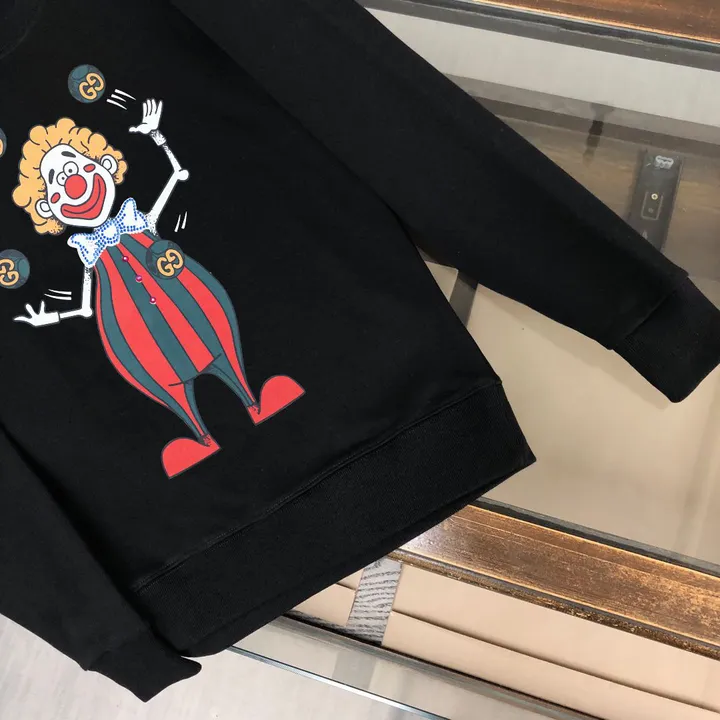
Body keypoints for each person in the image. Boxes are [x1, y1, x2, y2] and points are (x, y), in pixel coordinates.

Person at [12, 99, 305, 478]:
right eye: (57, 182)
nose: (72, 181)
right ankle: (200, 436)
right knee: (154, 366)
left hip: (179, 286)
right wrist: (49, 318)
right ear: (48, 208)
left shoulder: (135, 218)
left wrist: (158, 137)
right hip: (127, 321)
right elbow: (86, 307)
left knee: (211, 325)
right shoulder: (87, 249)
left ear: (104, 165)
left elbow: (176, 175)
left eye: (76, 166)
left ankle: (252, 401)